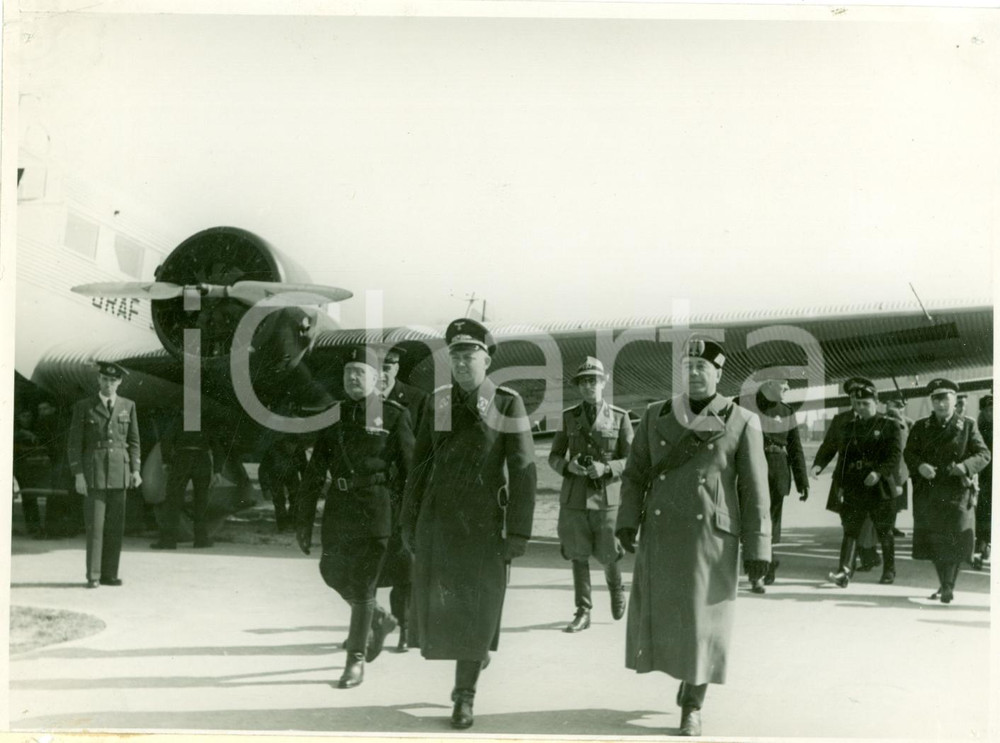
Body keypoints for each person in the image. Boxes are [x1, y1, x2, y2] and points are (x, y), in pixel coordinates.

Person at [616, 337, 771, 737]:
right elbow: (634, 475)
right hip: (663, 533)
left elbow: (755, 490)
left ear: (719, 373)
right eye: (688, 366)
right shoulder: (655, 415)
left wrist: (758, 547)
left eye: (703, 367)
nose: (695, 373)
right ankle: (687, 682)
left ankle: (693, 705)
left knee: (703, 624)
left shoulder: (741, 420)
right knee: (669, 619)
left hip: (710, 540)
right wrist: (627, 522)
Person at [401, 317, 536, 730]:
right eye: (456, 356)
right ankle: (472, 660)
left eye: (470, 356)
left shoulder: (506, 404)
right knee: (448, 612)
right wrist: (409, 520)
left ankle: (465, 695)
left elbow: (523, 471)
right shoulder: (439, 403)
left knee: (477, 611)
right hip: (440, 524)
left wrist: (518, 531)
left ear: (487, 360)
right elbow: (420, 466)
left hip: (482, 528)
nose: (461, 364)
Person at [296, 348, 414, 688]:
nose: (351, 378)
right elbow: (315, 470)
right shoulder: (334, 415)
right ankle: (380, 617)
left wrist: (406, 519)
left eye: (359, 372)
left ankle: (356, 660)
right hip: (339, 509)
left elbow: (411, 472)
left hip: (375, 510)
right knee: (330, 570)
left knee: (363, 584)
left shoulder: (393, 415)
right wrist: (303, 520)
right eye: (348, 372)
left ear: (376, 379)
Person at [547, 356, 633, 632]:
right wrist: (567, 466)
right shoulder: (569, 417)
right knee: (577, 553)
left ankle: (616, 588)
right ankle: (583, 610)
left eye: (593, 381)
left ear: (604, 382)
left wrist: (606, 468)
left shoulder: (619, 417)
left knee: (608, 552)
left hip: (607, 497)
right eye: (583, 382)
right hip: (574, 496)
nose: (588, 386)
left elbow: (632, 460)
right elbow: (554, 455)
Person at [905, 379, 990, 603]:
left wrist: (965, 467)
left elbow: (984, 454)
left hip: (957, 492)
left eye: (945, 400)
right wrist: (920, 466)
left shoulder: (968, 426)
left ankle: (947, 585)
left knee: (956, 541)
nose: (941, 405)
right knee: (935, 542)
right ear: (932, 402)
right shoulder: (921, 427)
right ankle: (946, 585)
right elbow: (909, 453)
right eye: (936, 400)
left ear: (954, 401)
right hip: (930, 492)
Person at [67, 362, 142, 588]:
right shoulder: (84, 406)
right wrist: (78, 474)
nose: (108, 384)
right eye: (105, 379)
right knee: (95, 527)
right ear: (98, 380)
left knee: (115, 527)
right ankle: (94, 575)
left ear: (119, 382)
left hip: (120, 472)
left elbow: (134, 441)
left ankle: (110, 574)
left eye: (113, 380)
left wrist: (135, 470)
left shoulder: (128, 406)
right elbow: (74, 444)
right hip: (94, 473)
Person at [824, 381, 902, 587]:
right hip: (855, 486)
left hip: (880, 487)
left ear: (876, 402)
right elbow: (844, 458)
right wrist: (840, 485)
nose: (860, 408)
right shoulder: (850, 427)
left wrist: (879, 473)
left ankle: (889, 570)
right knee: (851, 530)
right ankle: (844, 572)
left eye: (865, 403)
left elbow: (894, 455)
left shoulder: (889, 425)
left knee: (884, 531)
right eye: (857, 404)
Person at [377, 344, 428, 651]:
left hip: (399, 492)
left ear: (397, 368)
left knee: (402, 563)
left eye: (388, 366)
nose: (382, 373)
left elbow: (422, 448)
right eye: (377, 367)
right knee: (365, 561)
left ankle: (405, 626)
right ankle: (367, 624)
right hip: (369, 494)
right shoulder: (361, 401)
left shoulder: (417, 399)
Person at [812, 377, 882, 572]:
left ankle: (848, 566)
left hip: (870, 479)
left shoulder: (881, 420)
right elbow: (829, 445)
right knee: (848, 520)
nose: (855, 400)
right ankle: (868, 555)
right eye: (851, 396)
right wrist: (818, 465)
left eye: (859, 396)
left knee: (863, 520)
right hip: (845, 477)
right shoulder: (841, 420)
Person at [751, 372, 808, 588]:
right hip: (751, 470)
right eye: (784, 383)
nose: (788, 387)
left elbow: (795, 448)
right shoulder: (743, 405)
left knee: (772, 524)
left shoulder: (786, 411)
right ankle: (760, 568)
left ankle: (766, 564)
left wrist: (802, 481)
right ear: (769, 382)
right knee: (754, 521)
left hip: (777, 473)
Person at [151, 414, 220, 549]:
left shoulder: (179, 419)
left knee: (173, 500)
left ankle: (168, 540)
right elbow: (217, 445)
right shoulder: (206, 421)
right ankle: (201, 539)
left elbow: (166, 439)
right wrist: (218, 470)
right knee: (201, 501)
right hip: (202, 460)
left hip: (181, 459)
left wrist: (166, 461)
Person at [259, 433, 307, 532]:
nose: (291, 448)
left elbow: (304, 468)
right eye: (289, 445)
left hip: (292, 474)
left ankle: (292, 522)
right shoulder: (273, 449)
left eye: (294, 445)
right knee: (279, 500)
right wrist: (265, 488)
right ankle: (282, 525)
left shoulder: (299, 450)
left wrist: (305, 484)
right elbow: (263, 469)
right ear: (284, 443)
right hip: (275, 476)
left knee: (296, 497)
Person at [883, 398, 913, 538]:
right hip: (887, 466)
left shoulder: (908, 423)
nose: (898, 409)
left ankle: (891, 526)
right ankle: (884, 527)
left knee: (897, 500)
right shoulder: (881, 420)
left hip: (902, 467)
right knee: (885, 498)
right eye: (895, 405)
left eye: (901, 406)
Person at [12, 408, 44, 537]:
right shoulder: (14, 429)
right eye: (23, 415)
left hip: (25, 466)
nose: (27, 419)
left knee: (29, 495)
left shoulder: (36, 429)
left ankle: (33, 527)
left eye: (29, 415)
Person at [972, 393, 992, 570]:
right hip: (986, 479)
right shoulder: (979, 431)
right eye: (990, 409)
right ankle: (982, 547)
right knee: (985, 513)